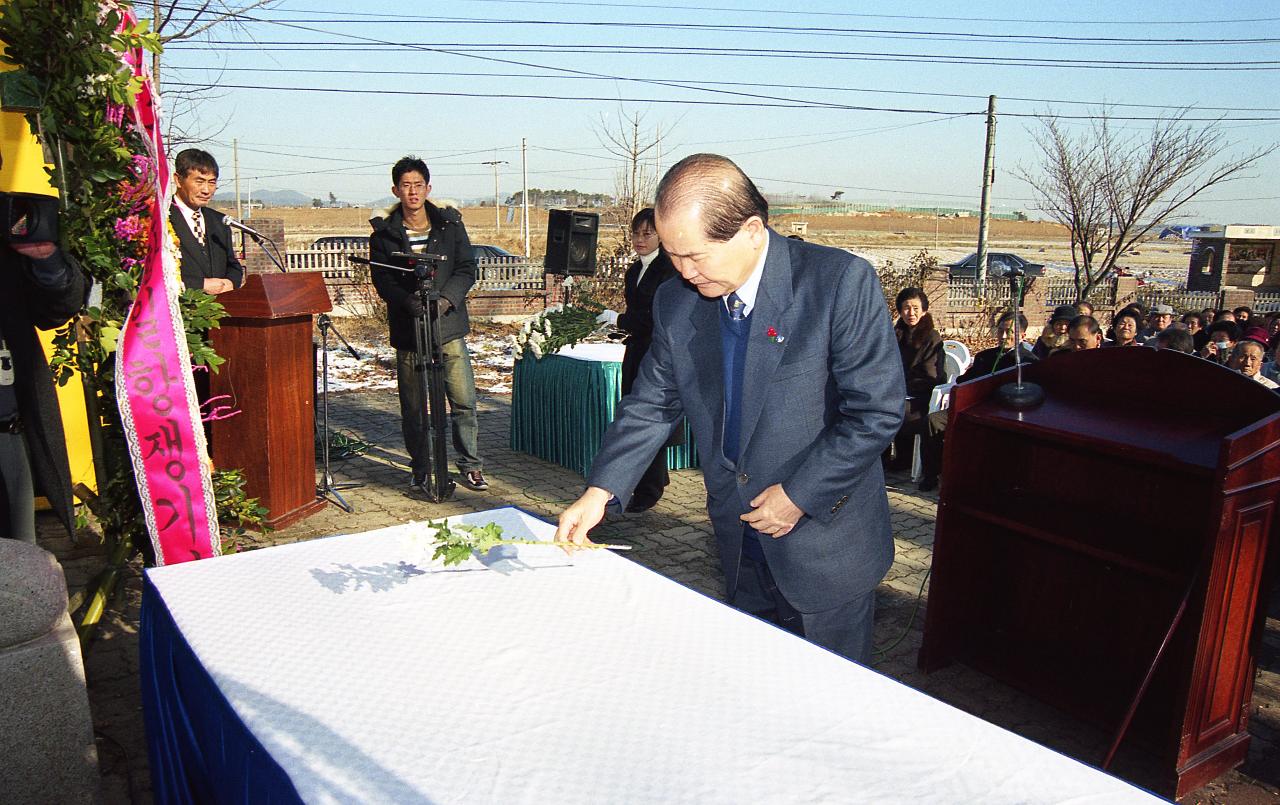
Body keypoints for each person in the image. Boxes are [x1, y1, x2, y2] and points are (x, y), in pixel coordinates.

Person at [555, 154, 904, 664]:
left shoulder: (837, 284)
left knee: (831, 702)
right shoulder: (678, 302)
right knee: (757, 680)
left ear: (752, 231)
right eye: (673, 256)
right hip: (739, 535)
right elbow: (651, 403)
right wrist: (600, 490)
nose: (684, 272)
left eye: (695, 256)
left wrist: (800, 496)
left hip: (824, 540)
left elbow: (875, 411)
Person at [369, 155, 486, 492]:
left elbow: (467, 268)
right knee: (414, 408)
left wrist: (446, 299)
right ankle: (421, 467)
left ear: (428, 188)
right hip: (409, 330)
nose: (413, 192)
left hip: (448, 326)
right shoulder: (384, 235)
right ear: (396, 190)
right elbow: (383, 280)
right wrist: (408, 301)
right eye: (406, 186)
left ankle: (470, 465)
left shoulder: (449, 225)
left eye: (418, 185)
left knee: (463, 400)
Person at [1, 198, 86, 542]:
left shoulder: (10, 231)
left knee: (17, 564)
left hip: (7, 433)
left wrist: (47, 263)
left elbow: (55, 311)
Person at [594, 208, 678, 512]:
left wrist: (619, 319)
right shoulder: (634, 270)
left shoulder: (668, 270)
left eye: (648, 233)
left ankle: (649, 488)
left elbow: (655, 318)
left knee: (648, 417)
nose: (640, 239)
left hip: (658, 354)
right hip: (636, 351)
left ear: (661, 235)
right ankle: (651, 480)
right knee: (634, 412)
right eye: (636, 233)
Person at [887, 287, 944, 491]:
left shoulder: (932, 338)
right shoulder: (894, 334)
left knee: (892, 410)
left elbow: (931, 375)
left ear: (924, 310)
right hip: (897, 392)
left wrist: (902, 386)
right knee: (874, 405)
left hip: (923, 396)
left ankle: (907, 461)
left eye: (915, 308)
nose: (911, 313)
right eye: (906, 308)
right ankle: (885, 461)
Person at [169, 149, 244, 295]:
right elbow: (153, 274)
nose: (206, 190)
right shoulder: (162, 218)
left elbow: (233, 266)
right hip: (181, 309)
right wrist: (199, 285)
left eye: (211, 183)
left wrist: (230, 282)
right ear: (178, 180)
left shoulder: (219, 222)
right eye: (199, 182)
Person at [959, 312, 1038, 381]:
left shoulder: (1027, 361)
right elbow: (965, 381)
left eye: (1009, 332)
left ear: (1022, 336)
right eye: (1000, 330)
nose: (1003, 336)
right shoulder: (983, 357)